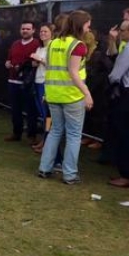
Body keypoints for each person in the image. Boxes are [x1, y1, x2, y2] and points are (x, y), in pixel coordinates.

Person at [38, 10, 93, 184]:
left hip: (54, 94)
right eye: (87, 25)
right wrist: (87, 93)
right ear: (80, 25)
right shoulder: (78, 45)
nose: (89, 28)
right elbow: (73, 73)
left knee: (55, 131)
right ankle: (69, 174)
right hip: (72, 95)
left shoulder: (53, 43)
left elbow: (50, 68)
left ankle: (44, 168)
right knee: (74, 135)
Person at [107, 18, 129, 188]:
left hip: (128, 93)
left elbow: (116, 74)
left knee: (125, 133)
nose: (120, 33)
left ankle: (128, 174)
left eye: (123, 30)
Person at [4, 21, 40, 144]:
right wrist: (8, 63)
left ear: (33, 30)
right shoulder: (15, 44)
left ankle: (32, 135)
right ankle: (16, 132)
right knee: (15, 109)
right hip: (13, 80)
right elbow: (9, 59)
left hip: (28, 82)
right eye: (23, 28)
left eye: (28, 29)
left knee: (31, 110)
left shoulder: (37, 44)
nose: (25, 31)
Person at [29, 23, 54, 153]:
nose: (42, 33)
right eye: (41, 31)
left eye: (46, 31)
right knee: (42, 114)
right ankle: (44, 141)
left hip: (47, 82)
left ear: (51, 33)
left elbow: (53, 65)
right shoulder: (40, 48)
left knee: (47, 115)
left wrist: (41, 60)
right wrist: (35, 61)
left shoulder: (52, 47)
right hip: (38, 80)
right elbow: (36, 64)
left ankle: (47, 144)